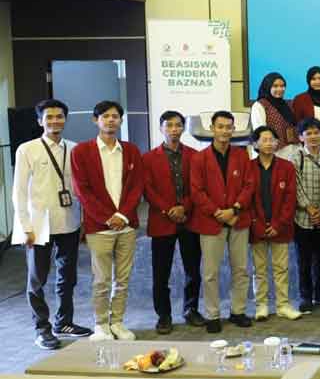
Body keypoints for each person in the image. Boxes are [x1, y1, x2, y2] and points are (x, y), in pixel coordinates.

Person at [13, 99, 91, 349]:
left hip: (68, 221)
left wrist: (84, 221)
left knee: (67, 277)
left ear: (65, 119)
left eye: (59, 116)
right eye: (49, 117)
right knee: (37, 280)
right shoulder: (27, 149)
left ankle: (64, 322)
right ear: (40, 121)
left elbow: (80, 189)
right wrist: (24, 226)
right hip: (38, 224)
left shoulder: (75, 148)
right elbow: (19, 191)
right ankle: (42, 328)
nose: (55, 121)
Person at [71, 100, 143, 342]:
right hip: (98, 226)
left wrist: (122, 215)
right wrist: (107, 216)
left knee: (123, 279)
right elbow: (82, 190)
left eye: (115, 116)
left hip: (127, 225)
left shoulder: (131, 150)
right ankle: (101, 324)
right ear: (96, 120)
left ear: (121, 120)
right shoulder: (81, 151)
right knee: (101, 279)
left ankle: (118, 322)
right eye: (105, 116)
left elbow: (136, 186)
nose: (111, 120)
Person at [189, 110, 254, 333]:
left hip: (238, 218)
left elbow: (249, 185)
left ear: (234, 130)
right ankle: (212, 314)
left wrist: (235, 208)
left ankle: (238, 312)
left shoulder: (242, 155)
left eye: (229, 127)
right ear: (212, 129)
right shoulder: (199, 158)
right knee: (210, 272)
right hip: (211, 221)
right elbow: (197, 192)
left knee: (241, 269)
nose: (225, 131)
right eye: (221, 126)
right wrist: (218, 212)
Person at [143, 111, 204, 335]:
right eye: (169, 125)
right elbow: (147, 189)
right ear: (161, 128)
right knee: (161, 272)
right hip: (162, 220)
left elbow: (198, 187)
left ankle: (191, 310)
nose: (174, 129)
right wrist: (168, 209)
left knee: (193, 270)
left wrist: (184, 207)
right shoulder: (148, 158)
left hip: (189, 220)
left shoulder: (195, 156)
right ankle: (164, 315)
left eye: (178, 125)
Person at [248, 126, 302, 321]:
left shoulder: (287, 167)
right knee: (259, 270)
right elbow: (248, 199)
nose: (269, 143)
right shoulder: (249, 167)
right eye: (264, 139)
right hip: (257, 227)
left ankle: (282, 305)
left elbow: (290, 199)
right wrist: (258, 224)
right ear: (255, 143)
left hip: (281, 226)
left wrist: (278, 224)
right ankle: (261, 305)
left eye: (272, 139)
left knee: (281, 268)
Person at [289, 118, 320, 314]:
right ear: (301, 137)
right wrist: (309, 208)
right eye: (308, 133)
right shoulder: (296, 158)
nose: (313, 136)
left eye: (316, 132)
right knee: (304, 260)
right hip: (302, 219)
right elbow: (295, 186)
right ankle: (306, 297)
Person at [291, 66, 320, 151]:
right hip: (308, 145)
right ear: (308, 81)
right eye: (313, 79)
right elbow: (296, 124)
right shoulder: (300, 99)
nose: (317, 82)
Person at [251, 72, 298, 155]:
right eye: (275, 86)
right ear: (267, 87)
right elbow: (260, 131)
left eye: (282, 86)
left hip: (291, 151)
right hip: (271, 152)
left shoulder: (288, 104)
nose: (280, 89)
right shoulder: (260, 105)